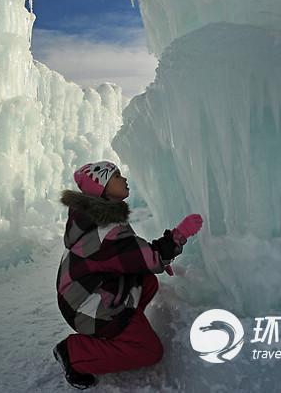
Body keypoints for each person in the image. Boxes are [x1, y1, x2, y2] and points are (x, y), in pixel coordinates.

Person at [53, 160, 203, 389]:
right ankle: (74, 354)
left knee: (147, 282)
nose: (124, 179)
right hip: (84, 305)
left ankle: (118, 329)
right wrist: (177, 237)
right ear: (101, 188)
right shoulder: (105, 229)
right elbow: (147, 257)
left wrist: (155, 259)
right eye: (116, 176)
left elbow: (134, 256)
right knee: (149, 351)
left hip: (79, 295)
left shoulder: (95, 219)